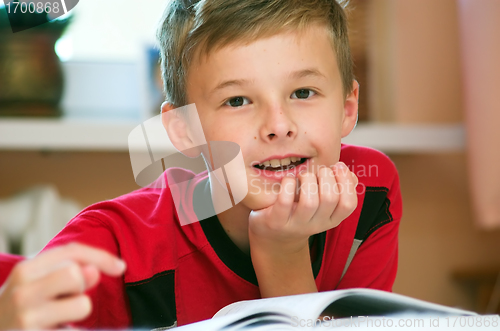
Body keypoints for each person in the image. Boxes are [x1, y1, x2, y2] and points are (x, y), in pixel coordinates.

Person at [0, 0, 402, 329]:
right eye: (238, 101)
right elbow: (19, 300)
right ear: (185, 130)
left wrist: (282, 253)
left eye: (303, 91)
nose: (279, 126)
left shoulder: (372, 193)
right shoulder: (121, 245)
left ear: (348, 108)